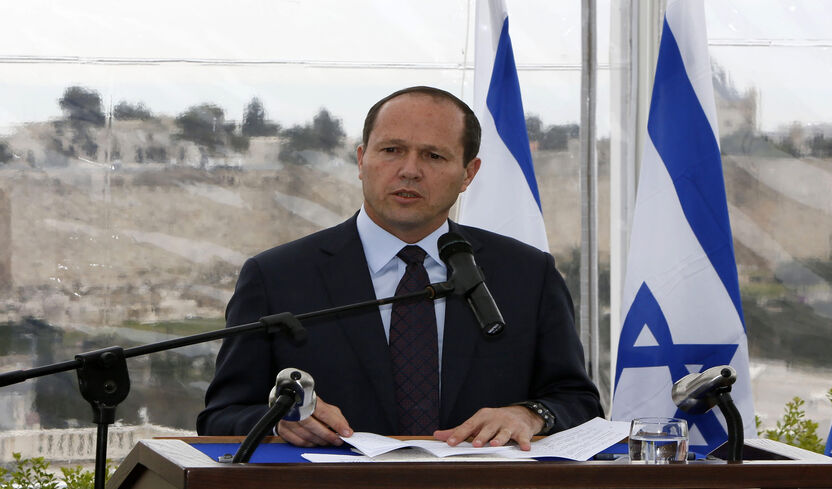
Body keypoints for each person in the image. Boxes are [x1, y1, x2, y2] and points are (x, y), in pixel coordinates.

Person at [197, 86, 603, 451]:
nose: (409, 169)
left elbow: (578, 401)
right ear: (361, 159)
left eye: (433, 155)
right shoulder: (277, 276)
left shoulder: (526, 274)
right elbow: (221, 416)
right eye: (391, 150)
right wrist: (279, 423)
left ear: (468, 174)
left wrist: (529, 415)